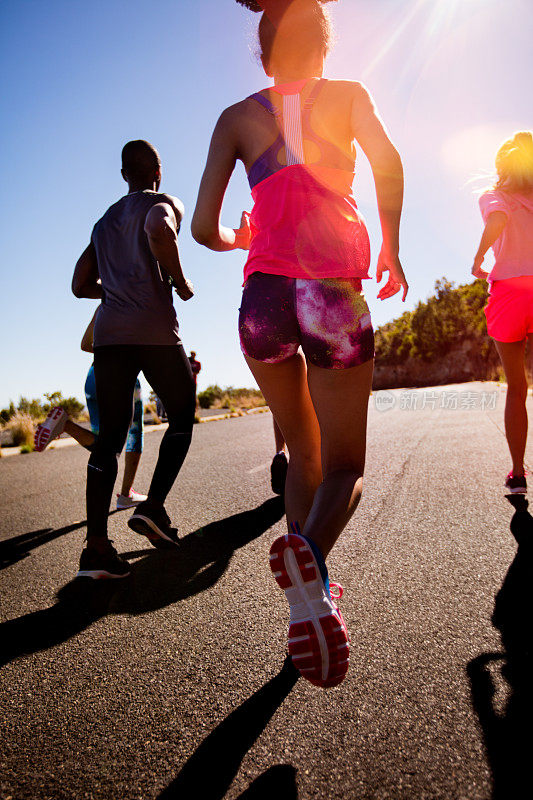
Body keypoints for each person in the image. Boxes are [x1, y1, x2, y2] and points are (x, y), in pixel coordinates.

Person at [192, 0, 406, 687]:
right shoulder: (345, 95)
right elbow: (387, 162)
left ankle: (306, 597)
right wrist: (393, 249)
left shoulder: (234, 116)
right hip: (329, 292)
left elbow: (203, 228)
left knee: (303, 454)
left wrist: (240, 237)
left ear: (262, 55)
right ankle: (309, 563)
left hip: (262, 304)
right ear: (323, 48)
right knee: (346, 465)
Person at [71, 139, 196, 579]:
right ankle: (153, 508)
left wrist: (115, 292)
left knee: (108, 439)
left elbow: (78, 283)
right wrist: (179, 282)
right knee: (181, 414)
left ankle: (96, 549)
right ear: (157, 173)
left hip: (111, 336)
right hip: (154, 331)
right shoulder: (163, 201)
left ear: (124, 175)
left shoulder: (103, 222)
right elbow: (161, 231)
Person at [34, 308, 148, 510]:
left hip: (94, 375)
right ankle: (126, 494)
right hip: (123, 377)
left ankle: (66, 425)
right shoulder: (137, 300)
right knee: (134, 434)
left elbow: (86, 344)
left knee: (103, 441)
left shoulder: (104, 305)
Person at [472, 131, 533, 495]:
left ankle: (517, 473)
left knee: (517, 386)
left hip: (509, 292)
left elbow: (496, 220)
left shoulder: (494, 196)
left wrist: (479, 256)